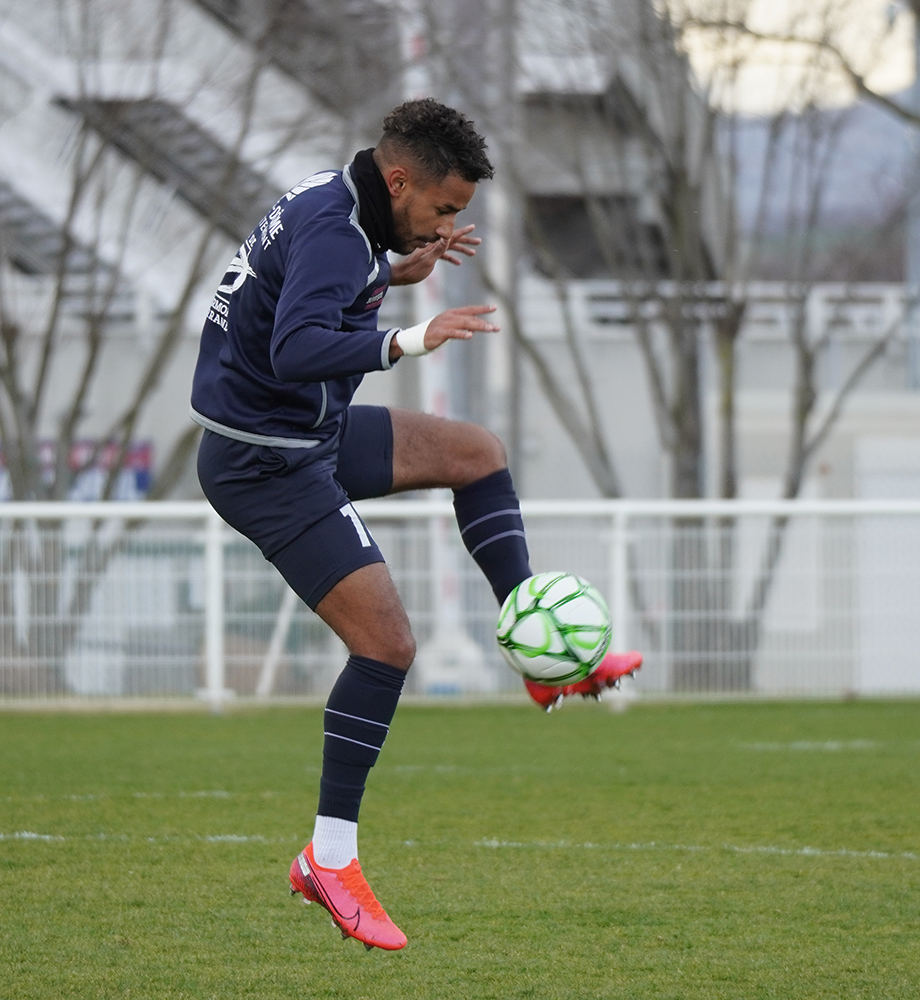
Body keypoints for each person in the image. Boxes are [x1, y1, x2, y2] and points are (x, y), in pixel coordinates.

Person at [190, 98, 641, 951]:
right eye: (442, 208)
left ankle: (534, 648)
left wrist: (390, 276)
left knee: (476, 452)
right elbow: (294, 348)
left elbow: (307, 292)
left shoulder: (344, 207)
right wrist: (409, 338)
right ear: (398, 180)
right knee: (389, 646)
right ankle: (329, 861)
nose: (448, 223)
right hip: (267, 464)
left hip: (303, 435)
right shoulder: (334, 230)